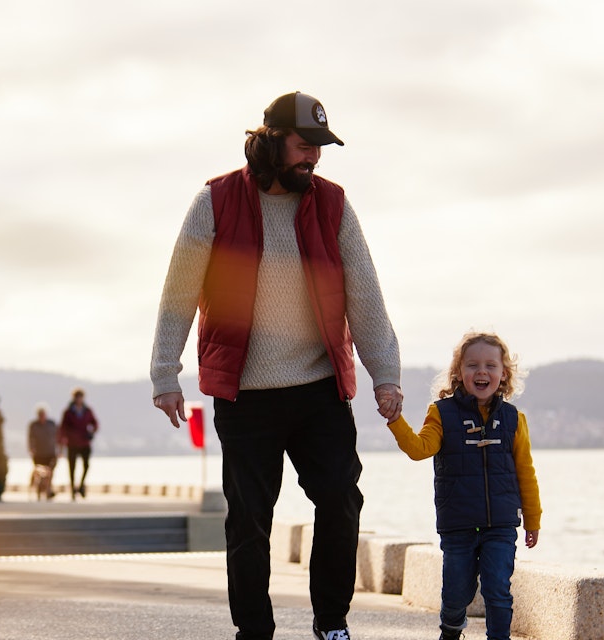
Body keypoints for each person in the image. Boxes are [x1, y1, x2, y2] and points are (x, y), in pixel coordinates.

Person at [150, 91, 403, 640]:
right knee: (248, 520)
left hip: (318, 389)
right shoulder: (215, 202)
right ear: (270, 141)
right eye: (304, 144)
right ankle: (254, 631)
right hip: (246, 394)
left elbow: (365, 296)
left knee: (340, 497)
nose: (314, 156)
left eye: (322, 147)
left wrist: (386, 374)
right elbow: (179, 292)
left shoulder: (333, 205)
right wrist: (164, 374)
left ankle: (331, 623)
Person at [384, 332, 542, 640]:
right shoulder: (441, 413)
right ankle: (452, 630)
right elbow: (419, 449)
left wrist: (532, 520)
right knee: (457, 592)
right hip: (458, 524)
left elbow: (526, 472)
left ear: (503, 373)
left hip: (501, 524)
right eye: (472, 365)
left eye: (490, 365)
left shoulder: (514, 419)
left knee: (498, 588)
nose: (481, 371)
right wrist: (396, 420)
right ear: (459, 373)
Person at [57, 387, 98, 500]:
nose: (79, 399)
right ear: (74, 398)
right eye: (77, 397)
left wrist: (92, 431)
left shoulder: (87, 410)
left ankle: (81, 486)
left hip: (85, 442)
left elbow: (95, 423)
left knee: (86, 465)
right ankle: (72, 490)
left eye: (80, 397)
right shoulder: (68, 412)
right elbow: (62, 427)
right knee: (72, 467)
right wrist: (62, 442)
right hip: (72, 443)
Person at [27, 403, 59, 501]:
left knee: (50, 472)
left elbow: (59, 436)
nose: (42, 417)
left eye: (43, 414)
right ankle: (37, 489)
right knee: (39, 473)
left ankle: (48, 490)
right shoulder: (33, 425)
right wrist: (31, 448)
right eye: (40, 415)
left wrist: (60, 449)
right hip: (38, 453)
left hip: (50, 452)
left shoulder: (52, 424)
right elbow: (30, 438)